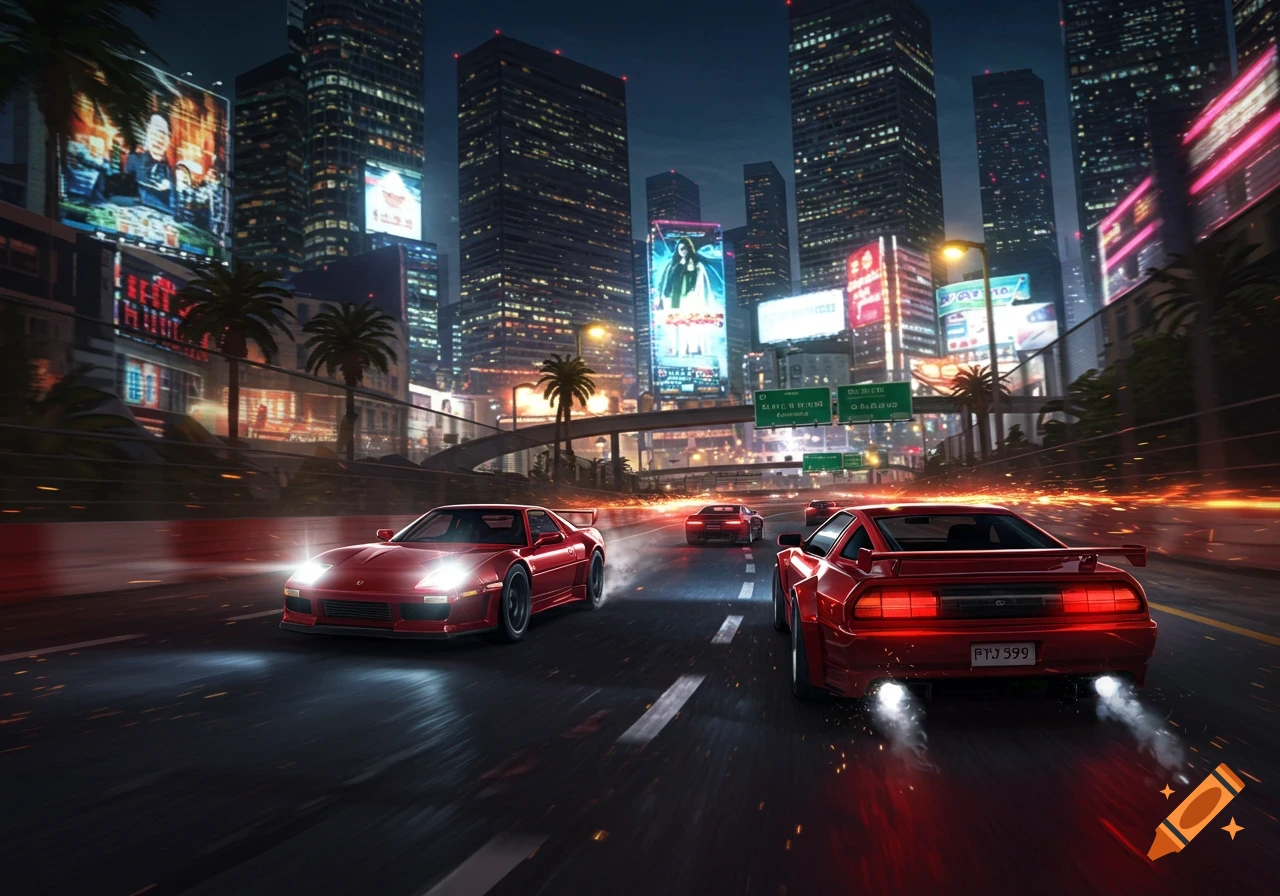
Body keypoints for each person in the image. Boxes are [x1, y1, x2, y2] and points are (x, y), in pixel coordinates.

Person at [125, 114, 174, 213]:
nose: (158, 140)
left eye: (162, 135)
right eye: (154, 134)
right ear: (147, 136)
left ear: (168, 140)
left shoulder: (173, 173)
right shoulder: (134, 160)